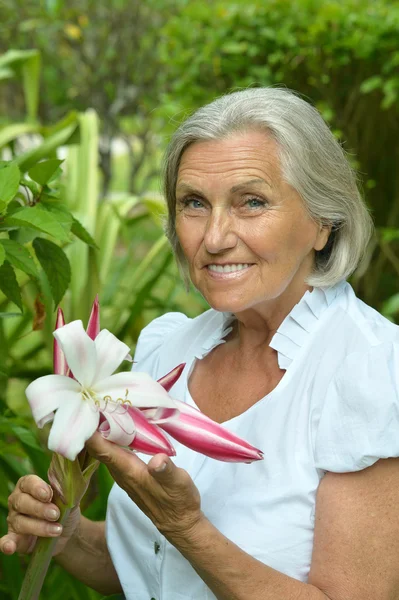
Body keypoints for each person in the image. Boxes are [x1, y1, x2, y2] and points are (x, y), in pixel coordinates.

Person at [2, 87, 399, 600]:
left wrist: (189, 529)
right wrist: (67, 535)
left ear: (323, 221)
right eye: (193, 203)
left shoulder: (368, 371)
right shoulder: (168, 351)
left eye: (251, 202)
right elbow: (151, 571)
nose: (213, 237)